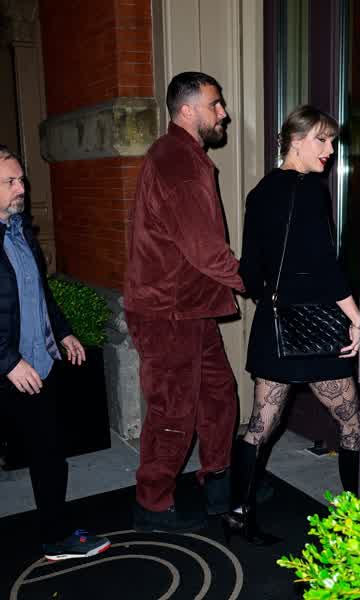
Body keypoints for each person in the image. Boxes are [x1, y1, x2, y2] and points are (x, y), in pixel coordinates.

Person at [223, 105, 360, 543]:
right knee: (351, 425)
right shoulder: (311, 190)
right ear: (295, 140)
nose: (330, 150)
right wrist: (357, 317)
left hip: (276, 323)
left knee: (259, 425)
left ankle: (238, 514)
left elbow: (249, 273)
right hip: (317, 324)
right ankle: (357, 520)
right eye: (322, 139)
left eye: (332, 141)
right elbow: (324, 265)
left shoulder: (260, 192)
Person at [124, 71, 245, 533]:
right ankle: (152, 503)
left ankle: (217, 482)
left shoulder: (183, 155)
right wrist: (252, 279)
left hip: (191, 306)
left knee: (218, 396)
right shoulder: (177, 160)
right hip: (167, 311)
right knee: (173, 410)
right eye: (215, 105)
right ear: (188, 109)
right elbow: (203, 246)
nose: (224, 113)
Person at [0, 145, 111, 561]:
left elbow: (39, 292)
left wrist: (63, 333)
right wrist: (8, 362)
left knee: (48, 453)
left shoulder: (20, 230)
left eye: (21, 179)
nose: (21, 188)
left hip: (35, 364)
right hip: (9, 367)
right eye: (10, 182)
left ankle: (56, 537)